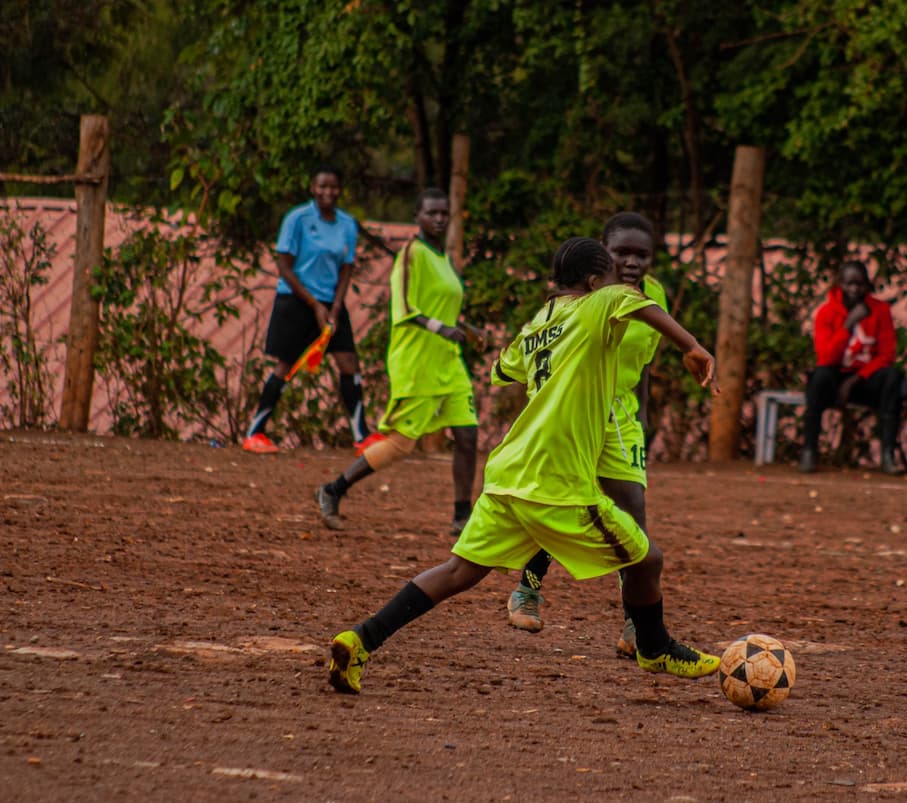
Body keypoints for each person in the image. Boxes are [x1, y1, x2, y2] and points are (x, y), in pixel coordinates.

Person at [326, 236, 722, 694]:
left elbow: (505, 367)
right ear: (595, 281)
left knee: (458, 572)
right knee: (647, 560)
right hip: (558, 481)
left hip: (509, 475)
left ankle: (359, 639)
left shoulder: (535, 325)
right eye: (611, 275)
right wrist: (692, 346)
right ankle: (654, 648)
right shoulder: (598, 305)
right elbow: (634, 300)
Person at [504, 212, 665, 658]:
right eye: (621, 253)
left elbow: (644, 364)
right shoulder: (583, 299)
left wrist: (644, 416)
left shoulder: (656, 298)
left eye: (642, 254)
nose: (632, 262)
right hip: (575, 413)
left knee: (633, 512)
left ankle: (635, 625)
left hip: (620, 418)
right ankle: (528, 589)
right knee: (561, 499)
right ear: (602, 254)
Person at [315, 188, 480, 534]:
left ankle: (461, 515)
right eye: (431, 212)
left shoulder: (442, 259)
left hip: (448, 362)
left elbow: (441, 307)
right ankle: (333, 490)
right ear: (417, 216)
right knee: (401, 443)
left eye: (443, 213)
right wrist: (441, 328)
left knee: (468, 436)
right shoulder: (410, 254)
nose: (438, 218)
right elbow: (405, 308)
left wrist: (463, 327)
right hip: (417, 362)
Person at [241, 164, 381, 455]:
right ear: (312, 189)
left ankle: (361, 435)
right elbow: (284, 266)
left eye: (333, 187)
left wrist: (336, 304)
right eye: (322, 186)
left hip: (332, 302)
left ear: (340, 190)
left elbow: (346, 267)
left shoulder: (346, 224)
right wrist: (314, 304)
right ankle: (255, 433)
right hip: (296, 300)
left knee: (348, 362)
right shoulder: (298, 219)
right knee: (286, 365)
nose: (328, 192)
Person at [799, 259, 905, 475]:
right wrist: (848, 325)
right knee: (819, 377)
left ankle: (887, 454)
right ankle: (809, 451)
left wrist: (856, 379)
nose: (854, 289)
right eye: (849, 284)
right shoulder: (827, 313)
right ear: (840, 284)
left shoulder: (880, 310)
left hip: (865, 380)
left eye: (859, 284)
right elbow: (826, 357)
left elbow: (886, 355)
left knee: (893, 376)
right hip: (835, 379)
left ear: (867, 285)